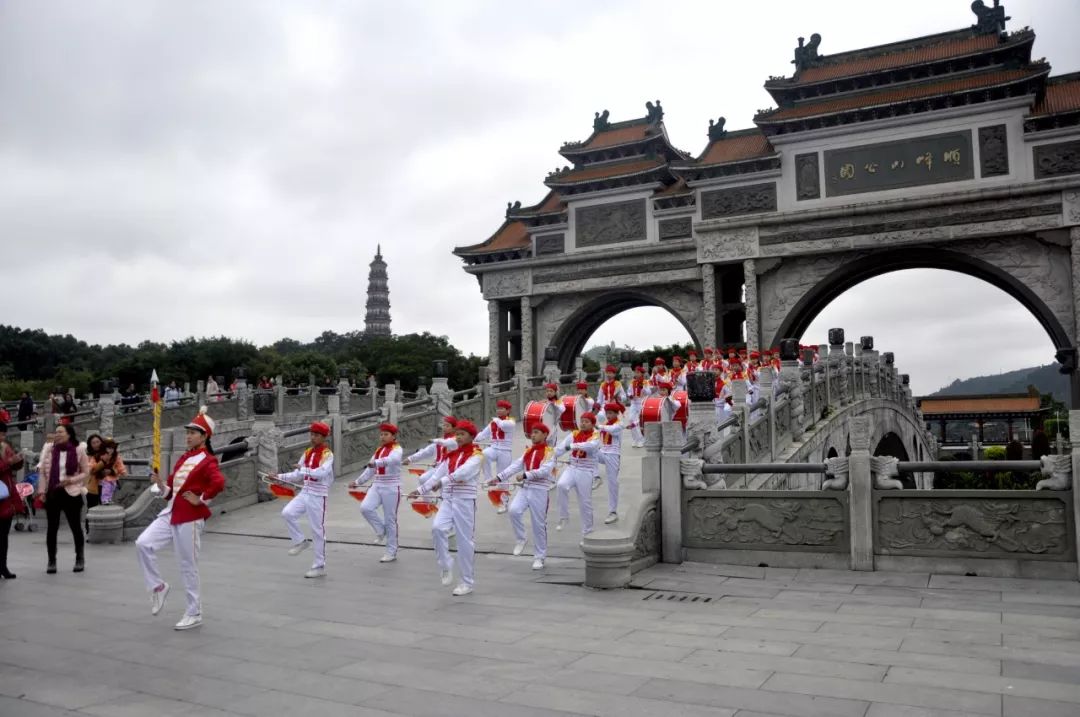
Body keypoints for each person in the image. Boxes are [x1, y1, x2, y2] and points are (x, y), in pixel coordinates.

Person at [135, 407, 225, 630]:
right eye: (187, 433)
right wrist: (160, 484)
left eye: (193, 433)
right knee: (143, 543)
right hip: (172, 511)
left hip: (191, 518)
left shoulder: (208, 460)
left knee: (188, 565)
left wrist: (201, 498)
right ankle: (158, 587)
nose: (188, 436)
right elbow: (171, 491)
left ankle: (194, 612)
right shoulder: (185, 458)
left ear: (205, 436)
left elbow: (219, 483)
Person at [412, 420, 482, 596]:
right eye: (457, 434)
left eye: (462, 434)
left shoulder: (477, 455)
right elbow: (436, 475)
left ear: (471, 437)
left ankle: (467, 581)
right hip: (449, 499)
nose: (458, 437)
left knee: (464, 541)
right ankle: (445, 564)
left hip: (465, 500)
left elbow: (463, 473)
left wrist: (442, 482)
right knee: (437, 528)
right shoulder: (451, 456)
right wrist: (420, 490)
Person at [272, 421, 334, 578]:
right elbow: (297, 475)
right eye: (312, 434)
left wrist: (303, 469)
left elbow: (321, 473)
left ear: (324, 437)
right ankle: (300, 541)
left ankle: (319, 566)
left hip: (319, 495)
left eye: (317, 435)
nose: (313, 438)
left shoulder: (328, 454)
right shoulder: (307, 452)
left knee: (317, 530)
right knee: (287, 513)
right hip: (306, 491)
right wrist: (278, 477)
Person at [493, 424, 555, 570]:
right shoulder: (529, 450)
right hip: (525, 488)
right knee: (514, 510)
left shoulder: (550, 451)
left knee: (538, 524)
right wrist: (499, 477)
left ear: (545, 435)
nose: (532, 435)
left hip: (539, 490)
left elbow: (545, 471)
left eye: (536, 432)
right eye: (532, 432)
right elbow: (516, 465)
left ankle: (540, 556)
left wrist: (527, 474)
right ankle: (521, 538)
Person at [36, 423, 89, 574]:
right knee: (52, 528)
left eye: (60, 432)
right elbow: (42, 472)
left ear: (69, 434)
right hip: (53, 492)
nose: (57, 434)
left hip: (71, 492)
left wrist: (71, 480)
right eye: (56, 432)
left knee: (75, 527)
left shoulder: (79, 450)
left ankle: (80, 558)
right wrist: (41, 491)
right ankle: (51, 561)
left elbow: (86, 472)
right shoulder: (50, 450)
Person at [352, 423, 403, 563]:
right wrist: (357, 482)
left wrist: (376, 463)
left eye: (386, 434)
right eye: (381, 434)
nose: (383, 437)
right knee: (365, 508)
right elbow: (370, 469)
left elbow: (393, 460)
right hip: (377, 484)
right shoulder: (379, 450)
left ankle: (391, 551)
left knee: (390, 519)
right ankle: (381, 530)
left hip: (392, 486)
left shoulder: (397, 449)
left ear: (393, 436)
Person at [554, 411, 600, 536]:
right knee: (561, 485)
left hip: (586, 470)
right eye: (582, 421)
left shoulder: (596, 435)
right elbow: (562, 447)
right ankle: (564, 517)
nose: (583, 424)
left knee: (585, 502)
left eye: (586, 422)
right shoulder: (574, 434)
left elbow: (590, 446)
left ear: (592, 424)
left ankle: (588, 530)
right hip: (572, 467)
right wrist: (548, 455)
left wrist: (573, 446)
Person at [476, 400, 515, 514]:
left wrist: (496, 419)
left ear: (508, 411)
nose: (499, 410)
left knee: (503, 476)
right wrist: (472, 440)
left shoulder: (510, 422)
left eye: (502, 408)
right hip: (493, 448)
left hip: (505, 450)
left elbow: (503, 425)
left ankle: (504, 502)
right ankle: (488, 479)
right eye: (498, 408)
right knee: (483, 454)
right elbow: (483, 434)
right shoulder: (493, 423)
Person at [0, 422, 26, 579]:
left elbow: (13, 467)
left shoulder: (5, 448)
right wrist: (7, 463)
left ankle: (2, 566)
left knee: (3, 536)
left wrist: (18, 460)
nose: (3, 437)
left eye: (4, 434)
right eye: (1, 434)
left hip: (6, 495)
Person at [597, 403, 624, 525]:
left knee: (613, 484)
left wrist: (598, 426)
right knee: (589, 453)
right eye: (607, 413)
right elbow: (599, 414)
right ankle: (596, 477)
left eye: (611, 413)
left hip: (613, 455)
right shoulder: (605, 423)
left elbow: (612, 430)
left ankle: (613, 511)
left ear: (616, 413)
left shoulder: (619, 424)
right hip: (603, 452)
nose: (608, 415)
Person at [82, 434, 106, 531]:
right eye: (93, 443)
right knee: (92, 507)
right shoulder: (88, 456)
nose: (96, 444)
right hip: (92, 485)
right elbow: (91, 469)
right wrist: (103, 462)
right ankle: (89, 530)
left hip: (105, 484)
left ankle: (102, 529)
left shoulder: (107, 453)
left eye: (98, 442)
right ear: (90, 445)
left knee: (104, 508)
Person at [95, 439, 126, 505]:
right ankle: (104, 499)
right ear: (105, 448)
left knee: (112, 487)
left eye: (113, 448)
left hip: (113, 476)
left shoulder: (116, 457)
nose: (111, 450)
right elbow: (97, 465)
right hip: (104, 476)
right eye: (109, 448)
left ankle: (109, 498)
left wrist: (123, 471)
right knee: (106, 487)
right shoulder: (102, 455)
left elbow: (120, 464)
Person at [626, 365, 650, 448]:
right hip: (633, 403)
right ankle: (635, 439)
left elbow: (649, 392)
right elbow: (628, 391)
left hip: (642, 403)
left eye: (638, 372)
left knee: (639, 422)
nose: (636, 374)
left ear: (642, 373)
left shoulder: (645, 382)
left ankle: (641, 440)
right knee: (631, 420)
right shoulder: (632, 382)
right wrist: (630, 395)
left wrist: (642, 388)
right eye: (635, 372)